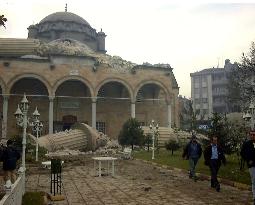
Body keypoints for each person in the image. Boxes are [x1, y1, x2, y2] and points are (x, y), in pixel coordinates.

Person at [241, 130, 255, 205]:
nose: (252, 136)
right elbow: (242, 153)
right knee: (254, 180)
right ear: (249, 135)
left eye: (254, 135)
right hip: (252, 165)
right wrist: (248, 160)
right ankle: (254, 196)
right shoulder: (246, 144)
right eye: (251, 135)